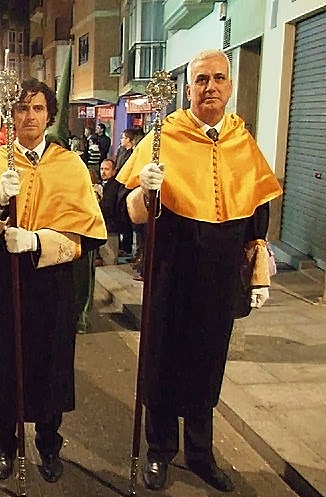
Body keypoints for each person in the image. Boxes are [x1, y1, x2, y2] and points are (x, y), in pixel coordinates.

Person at [116, 49, 282, 493]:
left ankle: (201, 453)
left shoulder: (242, 141)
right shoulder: (162, 137)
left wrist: (257, 274)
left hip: (219, 278)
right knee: (163, 362)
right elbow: (120, 208)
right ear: (188, 88)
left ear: (230, 85)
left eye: (218, 78)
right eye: (202, 79)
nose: (210, 87)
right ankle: (159, 450)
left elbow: (257, 214)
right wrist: (144, 192)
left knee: (207, 364)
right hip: (171, 275)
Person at [0, 78, 107, 484]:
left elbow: (87, 237)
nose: (29, 116)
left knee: (50, 366)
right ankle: (5, 444)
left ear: (49, 115)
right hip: (2, 283)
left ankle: (48, 445)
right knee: (5, 363)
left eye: (37, 108)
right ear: (11, 115)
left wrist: (38, 240)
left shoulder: (70, 165)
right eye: (22, 108)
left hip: (51, 284)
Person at [115, 128, 139, 257]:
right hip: (119, 185)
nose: (121, 140)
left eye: (123, 137)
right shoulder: (121, 150)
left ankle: (127, 246)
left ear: (129, 139)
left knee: (128, 216)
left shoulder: (133, 153)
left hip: (128, 187)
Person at [95, 159, 124, 266]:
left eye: (106, 169)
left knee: (110, 262)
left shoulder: (115, 186)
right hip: (101, 228)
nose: (103, 172)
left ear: (114, 171)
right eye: (101, 169)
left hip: (110, 229)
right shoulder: (100, 184)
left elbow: (109, 207)